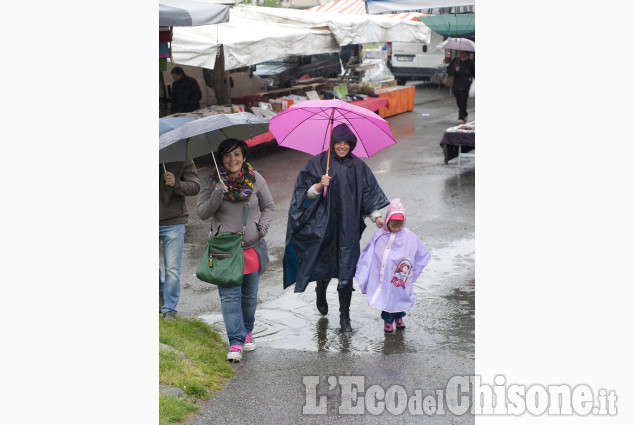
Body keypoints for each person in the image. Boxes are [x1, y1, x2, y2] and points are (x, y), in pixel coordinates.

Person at [283, 123, 390, 333]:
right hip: (321, 225)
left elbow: (367, 194)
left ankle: (344, 317)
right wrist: (318, 186)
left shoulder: (358, 167)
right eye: (338, 142)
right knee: (324, 262)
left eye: (346, 143)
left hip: (348, 227)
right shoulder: (317, 163)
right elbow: (303, 195)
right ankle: (320, 289)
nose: (342, 147)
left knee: (346, 268)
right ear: (332, 143)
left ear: (351, 144)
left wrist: (376, 217)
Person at [197, 139, 274, 362]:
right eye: (228, 155)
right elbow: (202, 213)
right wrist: (217, 193)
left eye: (237, 154)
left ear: (244, 157)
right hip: (225, 251)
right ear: (221, 158)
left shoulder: (256, 179)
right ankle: (235, 342)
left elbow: (269, 207)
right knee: (230, 298)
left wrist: (262, 229)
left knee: (249, 298)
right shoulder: (212, 181)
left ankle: (247, 331)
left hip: (252, 248)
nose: (233, 159)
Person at [355, 198, 431, 333]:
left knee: (399, 296)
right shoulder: (380, 235)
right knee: (386, 298)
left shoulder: (408, 236)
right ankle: (388, 321)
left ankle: (399, 319)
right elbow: (371, 252)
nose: (396, 229)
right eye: (393, 226)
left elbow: (422, 253)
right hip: (384, 276)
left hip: (399, 275)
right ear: (387, 221)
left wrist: (412, 271)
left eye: (399, 226)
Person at [160, 161, 201, 321]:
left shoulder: (181, 155)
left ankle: (169, 309)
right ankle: (159, 293)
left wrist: (176, 184)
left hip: (174, 221)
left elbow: (195, 186)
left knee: (172, 269)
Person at [446, 50, 475, 124]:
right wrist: (455, 70)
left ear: (466, 53)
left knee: (463, 101)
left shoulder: (470, 62)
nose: (461, 54)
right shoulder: (455, 61)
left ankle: (461, 118)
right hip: (456, 84)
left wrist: (471, 78)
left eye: (463, 52)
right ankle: (464, 113)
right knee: (459, 101)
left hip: (466, 84)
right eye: (460, 52)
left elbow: (473, 72)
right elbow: (449, 71)